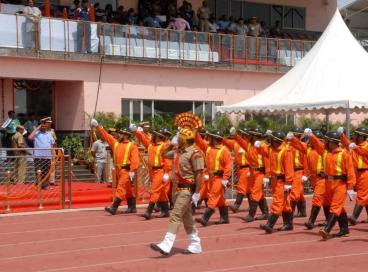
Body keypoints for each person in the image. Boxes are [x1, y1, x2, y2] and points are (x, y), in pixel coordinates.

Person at [150, 128, 204, 256]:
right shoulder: (177, 151)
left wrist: (197, 192)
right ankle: (195, 244)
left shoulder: (195, 153)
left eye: (180, 138)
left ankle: (166, 244)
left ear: (186, 140)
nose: (178, 140)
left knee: (175, 215)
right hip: (176, 190)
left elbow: (199, 174)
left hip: (186, 189)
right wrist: (171, 144)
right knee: (187, 219)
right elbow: (163, 154)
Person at [306, 129, 356, 239]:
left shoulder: (344, 154)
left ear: (332, 142)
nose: (325, 143)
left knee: (335, 206)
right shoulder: (325, 152)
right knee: (339, 207)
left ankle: (326, 229)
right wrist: (311, 136)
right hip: (328, 183)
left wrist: (351, 187)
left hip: (340, 183)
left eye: (327, 141)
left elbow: (350, 171)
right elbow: (317, 144)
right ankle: (344, 229)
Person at [92, 119, 140, 215]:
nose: (119, 135)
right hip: (119, 170)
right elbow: (106, 135)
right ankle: (132, 207)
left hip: (127, 170)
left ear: (126, 135)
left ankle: (114, 207)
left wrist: (132, 171)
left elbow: (135, 160)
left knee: (121, 188)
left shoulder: (132, 145)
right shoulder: (116, 144)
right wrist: (98, 126)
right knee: (128, 190)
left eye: (121, 133)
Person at [258, 131, 295, 234]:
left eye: (271, 139)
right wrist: (260, 143)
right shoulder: (272, 150)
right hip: (274, 180)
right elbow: (264, 150)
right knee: (285, 204)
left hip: (282, 181)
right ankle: (288, 224)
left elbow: (289, 168)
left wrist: (288, 182)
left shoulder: (286, 151)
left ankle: (270, 224)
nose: (270, 141)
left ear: (276, 140)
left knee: (277, 202)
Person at [131, 125, 170, 219]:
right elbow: (142, 138)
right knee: (160, 193)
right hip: (152, 171)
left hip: (160, 170)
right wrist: (136, 131)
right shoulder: (150, 145)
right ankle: (165, 211)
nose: (152, 136)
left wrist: (166, 172)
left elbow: (167, 160)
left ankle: (149, 211)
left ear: (158, 136)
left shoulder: (164, 146)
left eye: (154, 135)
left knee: (154, 190)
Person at [231, 127, 269, 222]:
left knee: (255, 193)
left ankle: (251, 215)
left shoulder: (263, 146)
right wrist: (235, 135)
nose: (249, 137)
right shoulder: (249, 146)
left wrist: (267, 176)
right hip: (252, 172)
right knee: (258, 194)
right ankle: (265, 213)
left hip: (260, 173)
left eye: (251, 135)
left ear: (255, 136)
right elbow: (241, 142)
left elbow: (268, 160)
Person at [194, 129, 232, 226]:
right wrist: (195, 133)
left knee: (213, 196)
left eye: (211, 137)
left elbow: (228, 165)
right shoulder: (209, 148)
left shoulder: (224, 151)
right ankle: (225, 218)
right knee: (220, 199)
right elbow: (200, 142)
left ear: (215, 138)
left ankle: (205, 218)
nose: (209, 138)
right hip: (211, 177)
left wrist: (225, 178)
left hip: (219, 178)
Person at [339, 127, 368, 225]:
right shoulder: (354, 145)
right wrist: (341, 135)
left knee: (362, 195)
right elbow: (347, 144)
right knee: (365, 198)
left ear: (361, 136)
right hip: (356, 173)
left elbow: (364, 152)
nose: (354, 136)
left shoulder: (366, 145)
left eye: (356, 134)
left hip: (365, 173)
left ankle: (354, 217)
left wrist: (355, 147)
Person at [223, 127, 251, 214]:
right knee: (249, 189)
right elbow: (226, 141)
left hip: (247, 168)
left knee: (242, 187)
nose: (244, 136)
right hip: (239, 169)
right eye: (242, 134)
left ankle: (236, 205)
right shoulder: (235, 144)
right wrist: (220, 136)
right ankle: (252, 207)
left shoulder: (250, 145)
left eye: (245, 134)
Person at [28, 119, 55, 190]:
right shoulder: (36, 133)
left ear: (46, 127)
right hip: (38, 156)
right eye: (42, 126)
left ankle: (45, 185)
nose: (43, 127)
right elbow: (30, 137)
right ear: (40, 126)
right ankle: (38, 185)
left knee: (46, 171)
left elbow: (52, 145)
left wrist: (52, 156)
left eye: (45, 126)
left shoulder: (49, 134)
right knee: (38, 171)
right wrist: (37, 128)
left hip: (47, 156)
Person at [287, 127, 307, 218]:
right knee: (300, 192)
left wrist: (306, 174)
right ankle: (302, 212)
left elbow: (305, 160)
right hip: (291, 170)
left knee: (294, 192)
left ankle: (289, 212)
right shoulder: (289, 146)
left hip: (299, 171)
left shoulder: (302, 145)